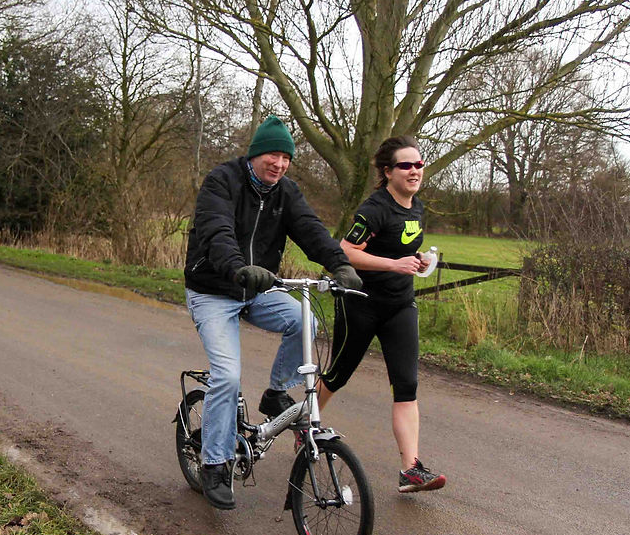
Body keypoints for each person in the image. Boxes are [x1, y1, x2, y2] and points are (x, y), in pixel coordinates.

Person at [184, 115, 362, 510]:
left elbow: (311, 230)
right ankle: (214, 464)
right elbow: (216, 232)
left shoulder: (286, 192)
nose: (279, 164)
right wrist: (237, 267)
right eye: (273, 155)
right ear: (255, 154)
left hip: (258, 288)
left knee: (304, 320)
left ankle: (276, 392)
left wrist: (339, 264)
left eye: (286, 158)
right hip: (214, 290)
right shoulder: (222, 182)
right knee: (228, 375)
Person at [319, 136, 446, 493]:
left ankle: (411, 469)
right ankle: (307, 422)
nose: (415, 171)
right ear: (388, 172)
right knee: (337, 375)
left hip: (400, 305)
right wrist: (393, 264)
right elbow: (346, 251)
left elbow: (400, 247)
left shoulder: (416, 206)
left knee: (406, 385)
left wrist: (417, 261)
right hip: (360, 303)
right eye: (406, 165)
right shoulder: (374, 209)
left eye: (419, 164)